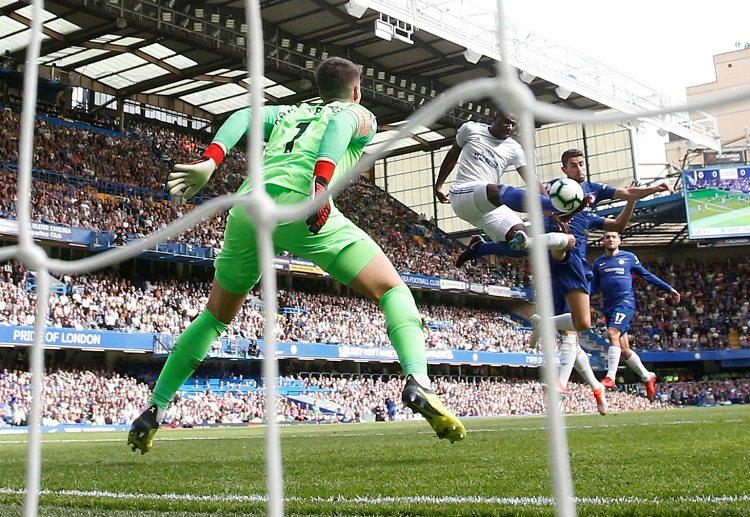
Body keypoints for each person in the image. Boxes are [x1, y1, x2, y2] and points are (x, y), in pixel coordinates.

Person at [127, 57, 465, 454]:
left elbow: (243, 114)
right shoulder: (359, 114)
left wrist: (211, 160)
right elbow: (341, 124)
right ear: (356, 90)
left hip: (249, 208)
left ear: (318, 89)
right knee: (392, 291)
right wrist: (321, 183)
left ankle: (155, 407)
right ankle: (418, 380)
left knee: (215, 316)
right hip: (304, 208)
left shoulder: (291, 112)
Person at [530, 149, 672, 414]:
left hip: (575, 267)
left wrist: (653, 188)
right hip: (551, 264)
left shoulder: (592, 197)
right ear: (564, 171)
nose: (579, 168)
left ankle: (561, 384)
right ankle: (597, 387)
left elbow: (620, 214)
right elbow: (533, 191)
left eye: (581, 163)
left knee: (575, 332)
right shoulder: (555, 192)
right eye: (573, 165)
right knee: (569, 334)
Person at [434, 110, 575, 263]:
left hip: (488, 206)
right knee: (499, 190)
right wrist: (438, 186)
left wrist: (552, 213)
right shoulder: (471, 129)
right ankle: (558, 206)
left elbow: (532, 179)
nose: (509, 127)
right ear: (494, 119)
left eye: (513, 125)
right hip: (464, 195)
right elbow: (452, 155)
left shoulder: (514, 148)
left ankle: (479, 248)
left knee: (523, 242)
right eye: (506, 122)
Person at [591, 231, 680, 399]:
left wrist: (668, 288)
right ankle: (647, 376)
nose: (610, 239)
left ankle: (610, 377)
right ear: (602, 241)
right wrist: (579, 297)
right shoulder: (598, 263)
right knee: (624, 349)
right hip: (608, 306)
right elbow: (594, 287)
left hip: (624, 302)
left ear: (620, 241)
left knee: (612, 334)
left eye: (613, 237)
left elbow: (646, 275)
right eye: (607, 237)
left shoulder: (629, 257)